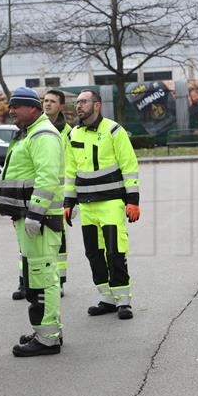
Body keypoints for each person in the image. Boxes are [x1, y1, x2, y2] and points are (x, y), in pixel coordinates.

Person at [0, 87, 65, 356]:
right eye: (10, 105)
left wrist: (35, 215)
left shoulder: (43, 135)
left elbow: (47, 179)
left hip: (39, 220)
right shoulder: (29, 134)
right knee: (37, 277)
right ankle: (47, 331)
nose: (11, 110)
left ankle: (47, 338)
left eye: (17, 106)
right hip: (30, 219)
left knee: (41, 279)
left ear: (33, 109)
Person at [63, 89, 140, 321]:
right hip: (87, 206)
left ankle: (123, 301)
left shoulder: (114, 130)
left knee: (115, 252)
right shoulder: (72, 135)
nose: (79, 106)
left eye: (84, 102)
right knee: (94, 254)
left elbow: (129, 165)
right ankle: (106, 298)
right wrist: (68, 201)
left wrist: (133, 200)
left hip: (111, 203)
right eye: (77, 102)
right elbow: (70, 171)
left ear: (97, 105)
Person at [12, 89, 72, 300]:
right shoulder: (27, 130)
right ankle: (25, 282)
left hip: (49, 205)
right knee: (32, 257)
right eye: (45, 100)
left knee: (50, 257)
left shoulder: (58, 133)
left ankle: (57, 282)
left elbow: (65, 170)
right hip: (35, 206)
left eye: (52, 101)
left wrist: (72, 199)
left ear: (60, 106)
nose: (47, 104)